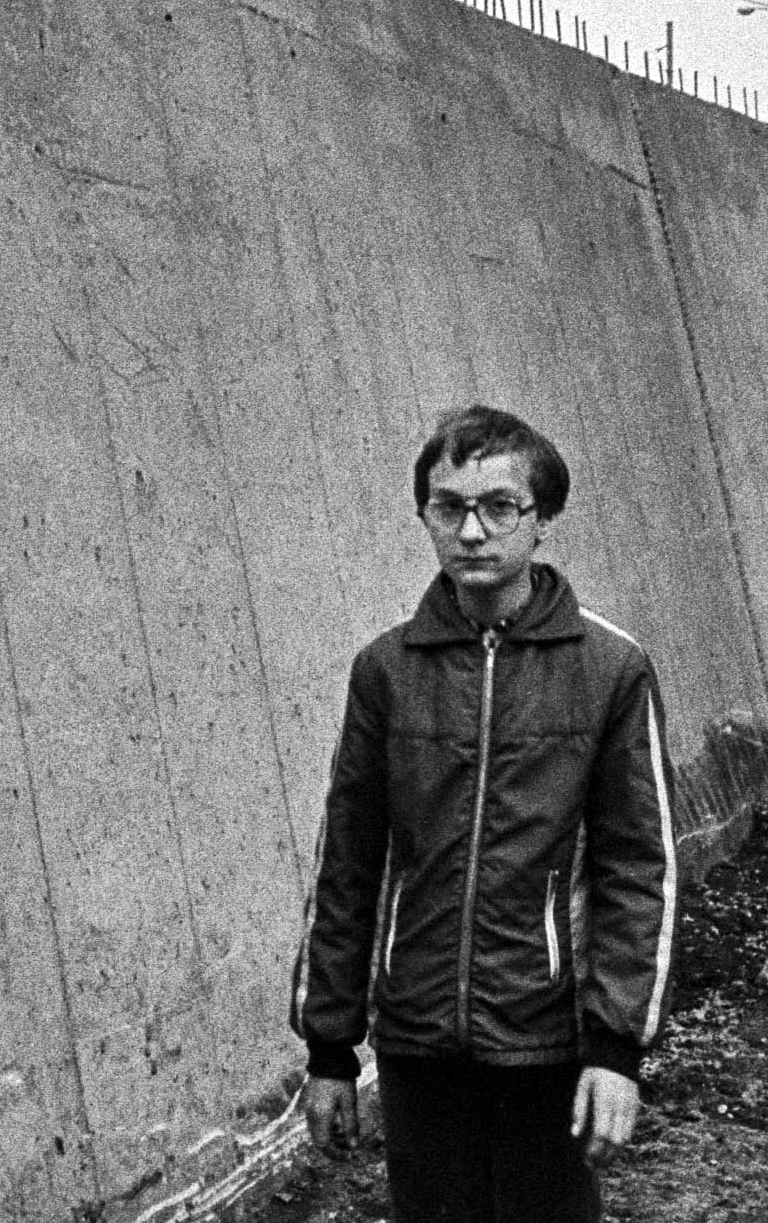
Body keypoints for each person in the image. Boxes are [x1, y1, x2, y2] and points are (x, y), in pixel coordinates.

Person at [291, 405, 680, 1223]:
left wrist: (616, 1050)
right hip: (417, 1039)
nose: (472, 532)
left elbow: (641, 869)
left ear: (542, 519)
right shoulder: (385, 671)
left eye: (500, 507)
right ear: (425, 516)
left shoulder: (611, 669)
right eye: (449, 507)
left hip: (547, 1038)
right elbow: (347, 865)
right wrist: (330, 1048)